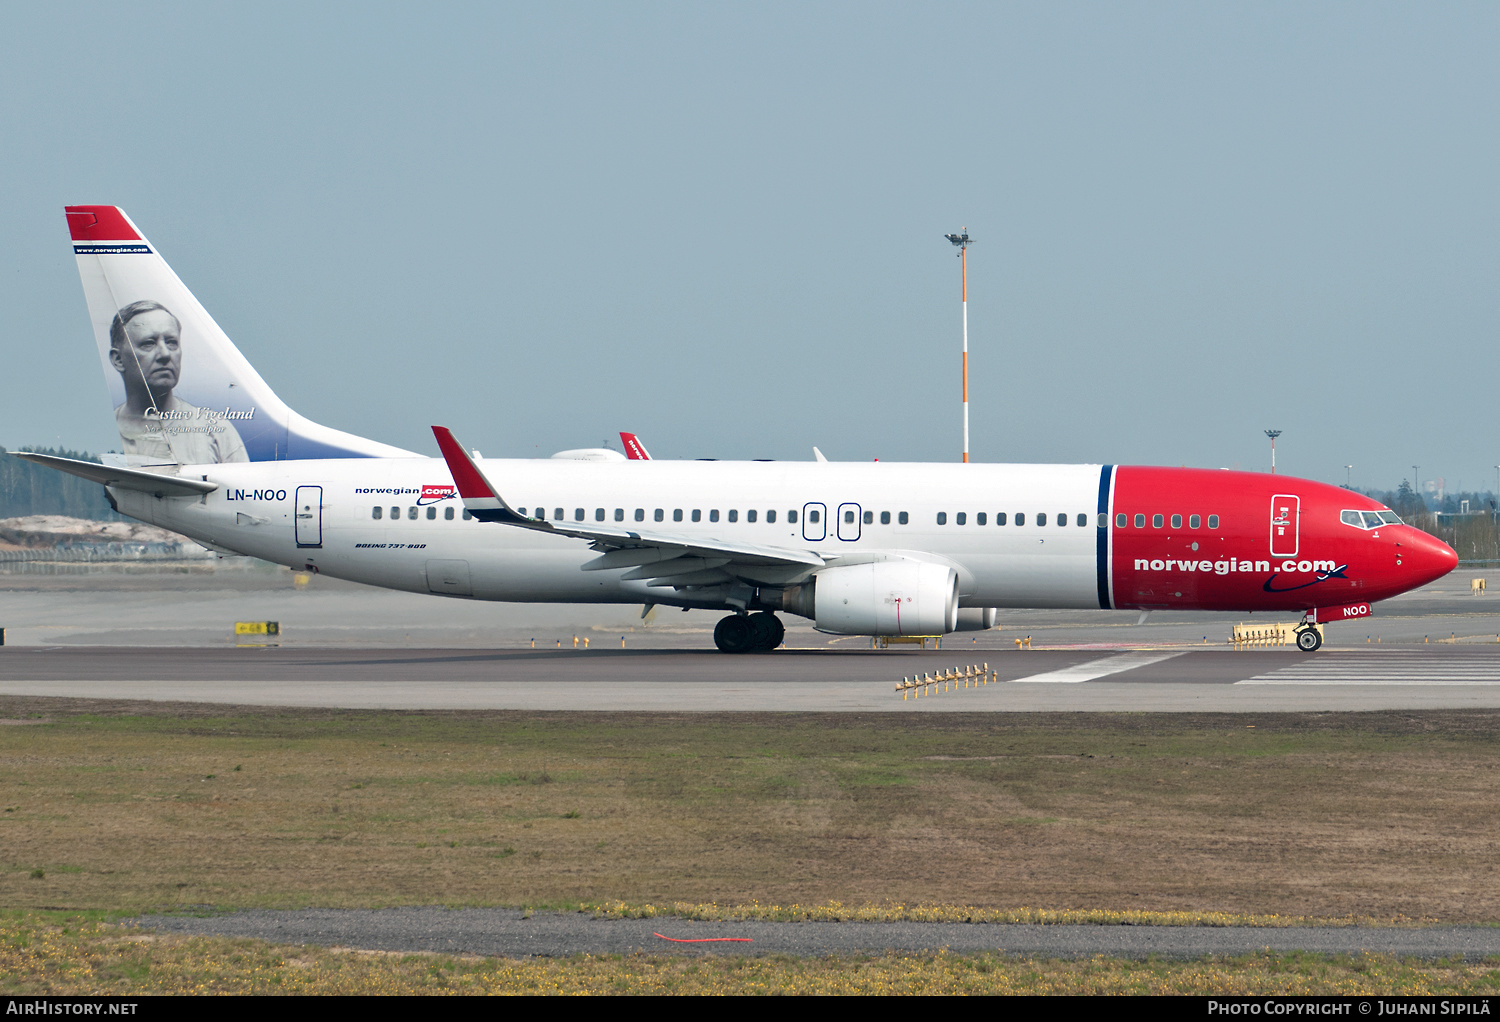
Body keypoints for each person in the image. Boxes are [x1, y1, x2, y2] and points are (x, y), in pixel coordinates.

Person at [109, 300, 248, 464]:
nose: (165, 354)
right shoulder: (107, 431)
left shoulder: (215, 430)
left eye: (171, 342)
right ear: (118, 359)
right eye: (148, 343)